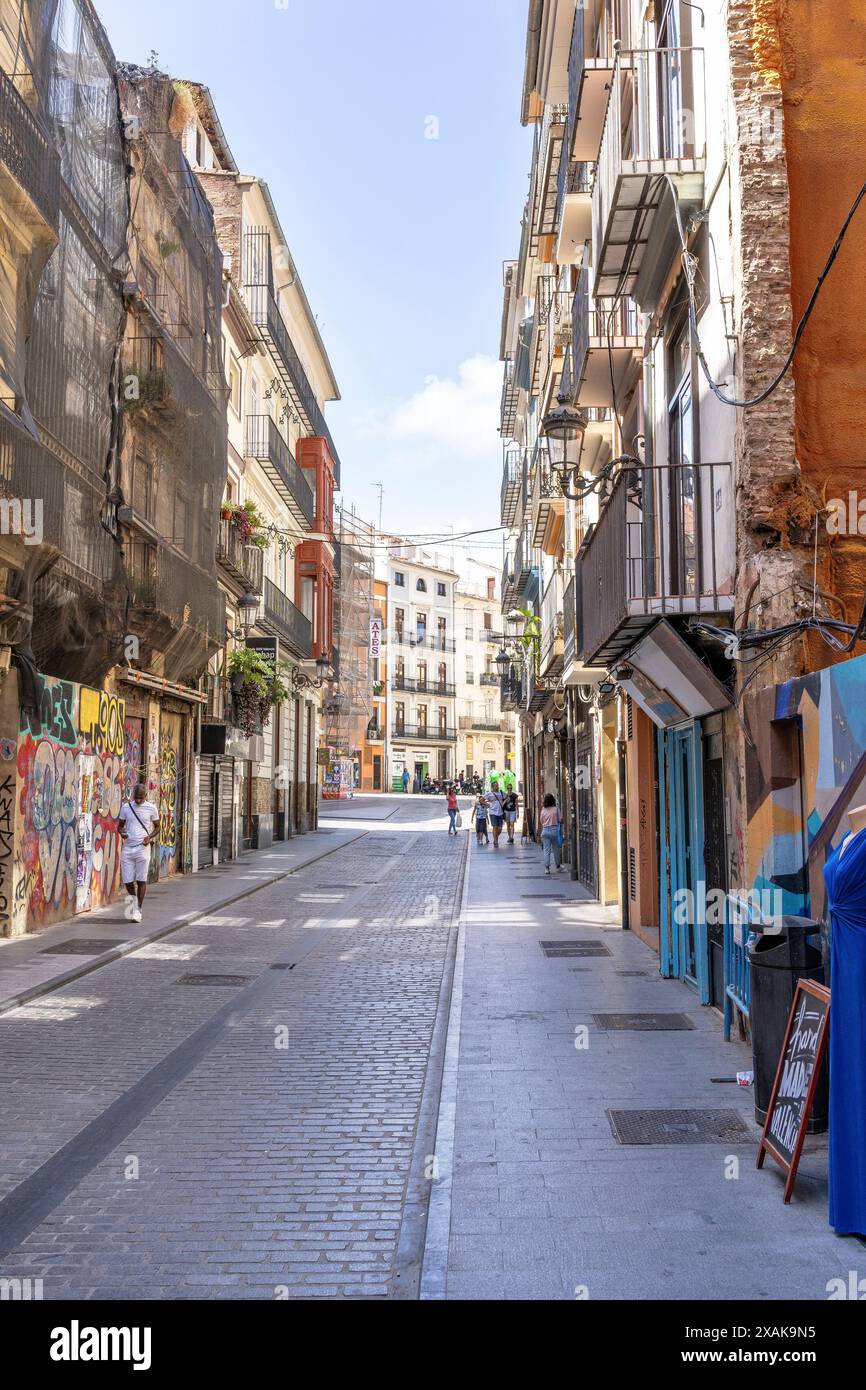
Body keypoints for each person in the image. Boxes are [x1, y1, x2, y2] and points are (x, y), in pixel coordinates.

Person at [118, 781, 159, 921]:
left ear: (146, 795)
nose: (138, 800)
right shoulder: (126, 808)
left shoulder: (152, 808)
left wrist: (150, 836)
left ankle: (138, 909)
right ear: (133, 795)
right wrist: (122, 833)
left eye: (141, 797)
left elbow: (158, 827)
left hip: (143, 848)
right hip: (128, 847)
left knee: (141, 879)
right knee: (128, 880)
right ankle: (134, 903)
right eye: (136, 797)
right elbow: (120, 826)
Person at [540, 792, 562, 873]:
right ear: (553, 800)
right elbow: (560, 819)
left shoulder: (543, 810)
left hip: (545, 831)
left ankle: (547, 868)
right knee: (556, 849)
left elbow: (541, 821)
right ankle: (558, 866)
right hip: (554, 831)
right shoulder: (556, 809)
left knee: (546, 850)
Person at [488, 780, 506, 849]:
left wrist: (504, 803)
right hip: (493, 812)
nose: (497, 786)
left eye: (497, 785)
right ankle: (495, 841)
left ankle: (495, 837)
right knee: (495, 827)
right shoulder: (490, 794)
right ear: (493, 787)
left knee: (500, 828)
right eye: (496, 785)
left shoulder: (501, 792)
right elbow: (481, 799)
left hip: (500, 812)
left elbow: (507, 797)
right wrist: (487, 804)